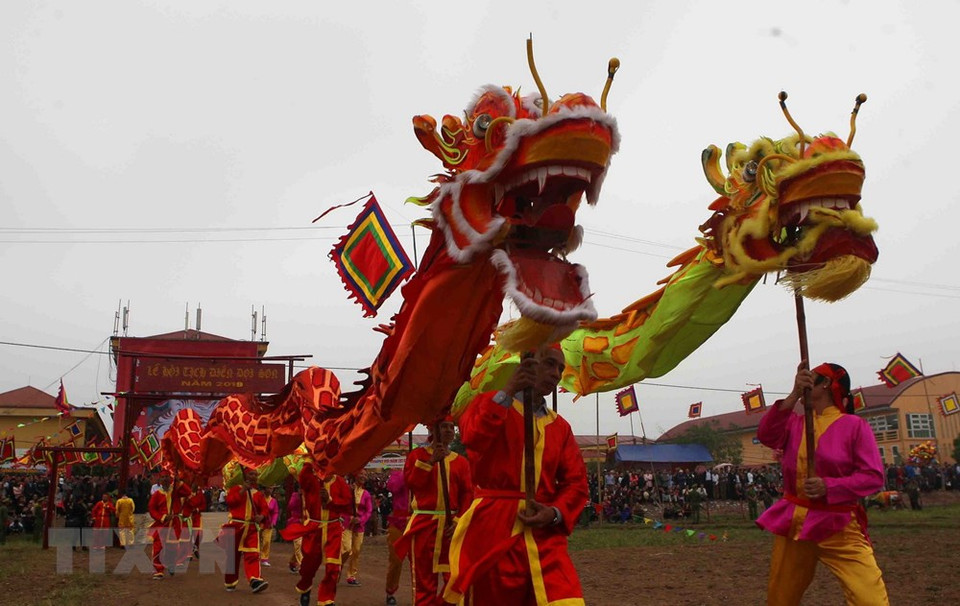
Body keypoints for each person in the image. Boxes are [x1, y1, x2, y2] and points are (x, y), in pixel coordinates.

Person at [443, 344, 589, 605]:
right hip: (493, 531)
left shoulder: (560, 427)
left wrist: (555, 513)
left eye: (560, 368)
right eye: (549, 363)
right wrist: (509, 389)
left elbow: (576, 483)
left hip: (545, 537)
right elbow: (473, 438)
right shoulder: (488, 403)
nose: (556, 374)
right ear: (528, 363)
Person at [756, 362, 888, 606]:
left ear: (826, 383)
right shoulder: (794, 423)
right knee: (780, 599)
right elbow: (766, 435)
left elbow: (873, 476)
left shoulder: (854, 426)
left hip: (839, 525)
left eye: (812, 376)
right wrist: (794, 394)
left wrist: (830, 487)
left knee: (870, 599)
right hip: (794, 524)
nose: (805, 379)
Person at [395, 416, 474, 605]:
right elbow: (413, 484)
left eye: (451, 427)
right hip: (424, 526)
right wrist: (431, 461)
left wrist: (458, 521)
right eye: (443, 427)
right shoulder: (416, 456)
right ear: (433, 430)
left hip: (450, 528)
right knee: (424, 581)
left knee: (455, 579)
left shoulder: (461, 462)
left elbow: (467, 495)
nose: (448, 430)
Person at [281, 461, 351, 606]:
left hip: (333, 528)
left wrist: (330, 500)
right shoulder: (311, 479)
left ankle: (326, 599)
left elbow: (347, 504)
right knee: (309, 566)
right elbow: (302, 478)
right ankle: (305, 587)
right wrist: (310, 459)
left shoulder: (339, 481)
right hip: (314, 528)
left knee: (333, 566)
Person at [218, 468, 270, 593]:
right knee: (232, 556)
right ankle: (230, 581)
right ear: (245, 475)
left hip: (251, 528)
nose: (253, 476)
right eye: (251, 474)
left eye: (255, 474)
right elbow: (231, 502)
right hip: (235, 526)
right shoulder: (235, 489)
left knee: (253, 553)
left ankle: (255, 580)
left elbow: (265, 509)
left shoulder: (258, 494)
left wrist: (261, 516)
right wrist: (243, 490)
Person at [341, 470, 373, 587]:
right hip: (347, 524)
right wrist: (349, 517)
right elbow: (341, 505)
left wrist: (361, 520)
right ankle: (337, 567)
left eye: (365, 474)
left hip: (359, 526)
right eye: (361, 474)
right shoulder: (347, 490)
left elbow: (369, 510)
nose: (363, 476)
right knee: (346, 549)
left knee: (356, 551)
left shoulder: (366, 494)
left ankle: (351, 576)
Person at [383, 469, 409, 606]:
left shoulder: (426, 472)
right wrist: (408, 473)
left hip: (419, 520)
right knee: (396, 559)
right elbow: (392, 487)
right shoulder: (398, 474)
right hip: (398, 522)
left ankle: (423, 595)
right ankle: (390, 592)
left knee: (421, 561)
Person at [286, 483, 304, 574]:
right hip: (295, 523)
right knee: (299, 544)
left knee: (303, 545)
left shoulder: (308, 497)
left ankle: (293, 562)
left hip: (305, 524)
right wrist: (299, 497)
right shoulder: (295, 496)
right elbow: (290, 506)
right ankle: (302, 565)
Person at [259, 486, 279, 567]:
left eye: (271, 488)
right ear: (265, 489)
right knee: (256, 540)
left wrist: (273, 522)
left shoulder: (273, 501)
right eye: (269, 488)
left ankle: (264, 558)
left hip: (268, 523)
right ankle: (255, 556)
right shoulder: (259, 498)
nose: (270, 490)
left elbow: (275, 512)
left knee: (266, 541)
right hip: (259, 523)